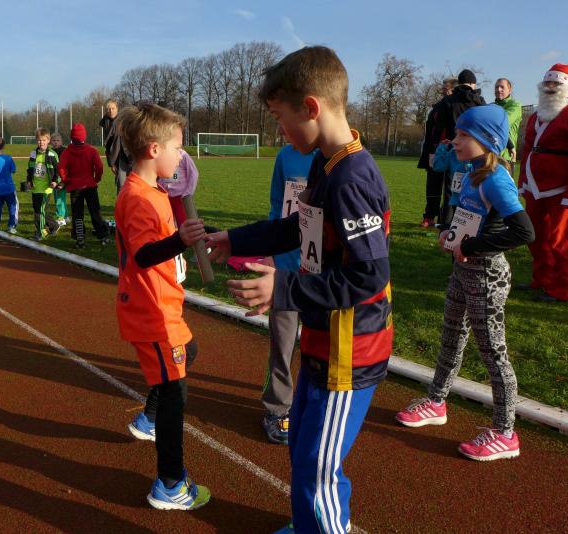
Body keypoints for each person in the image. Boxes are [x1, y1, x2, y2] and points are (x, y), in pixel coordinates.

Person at [206, 46, 392, 534]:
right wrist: (235, 240)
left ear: (310, 107)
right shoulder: (324, 164)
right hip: (321, 337)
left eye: (279, 118)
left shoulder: (352, 178)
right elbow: (297, 228)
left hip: (349, 350)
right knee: (303, 447)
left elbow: (369, 277)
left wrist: (284, 288)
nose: (279, 132)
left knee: (317, 466)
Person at [395, 105, 535, 461]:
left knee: (493, 351)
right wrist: (448, 233)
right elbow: (464, 216)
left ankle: (505, 433)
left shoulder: (495, 179)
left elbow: (524, 231)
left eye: (462, 135)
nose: (454, 140)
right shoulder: (470, 172)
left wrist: (471, 246)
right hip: (463, 272)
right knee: (451, 336)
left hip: (487, 276)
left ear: (486, 141)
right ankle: (436, 402)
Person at [114, 102, 210, 511]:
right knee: (175, 394)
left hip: (165, 305)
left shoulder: (154, 191)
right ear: (154, 149)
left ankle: (149, 418)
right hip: (151, 311)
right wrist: (179, 241)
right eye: (177, 148)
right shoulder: (138, 196)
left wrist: (203, 235)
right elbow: (143, 254)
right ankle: (170, 483)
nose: (182, 156)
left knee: (189, 351)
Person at [517, 63, 568, 302]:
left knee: (563, 240)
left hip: (564, 189)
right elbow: (527, 150)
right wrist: (523, 182)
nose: (550, 87)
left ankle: (561, 289)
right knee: (535, 236)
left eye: (556, 83)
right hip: (535, 186)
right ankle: (541, 279)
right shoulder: (536, 116)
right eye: (547, 82)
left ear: (567, 86)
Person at [260, 134, 316, 445]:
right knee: (282, 343)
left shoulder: (332, 156)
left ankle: (313, 403)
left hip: (320, 272)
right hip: (285, 265)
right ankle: (277, 407)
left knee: (318, 345)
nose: (283, 130)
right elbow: (276, 205)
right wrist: (272, 251)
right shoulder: (285, 156)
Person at [431, 69, 487, 227]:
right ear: (473, 84)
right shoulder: (479, 100)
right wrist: (509, 145)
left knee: (451, 189)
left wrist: (435, 146)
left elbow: (438, 126)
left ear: (459, 83)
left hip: (454, 148)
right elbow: (488, 125)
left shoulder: (448, 101)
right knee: (474, 186)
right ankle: (470, 224)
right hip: (474, 151)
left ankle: (447, 223)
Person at [58, 123, 110, 248]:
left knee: (77, 214)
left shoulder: (67, 152)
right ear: (84, 136)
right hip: (89, 185)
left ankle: (80, 238)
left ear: (71, 137)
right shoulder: (91, 150)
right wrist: (96, 179)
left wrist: (66, 180)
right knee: (95, 211)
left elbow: (61, 168)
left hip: (75, 187)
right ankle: (103, 236)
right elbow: (99, 167)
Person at [418, 78, 456, 228]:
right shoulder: (437, 108)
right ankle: (429, 216)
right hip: (435, 151)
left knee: (450, 187)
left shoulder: (457, 106)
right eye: (443, 89)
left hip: (452, 151)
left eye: (447, 89)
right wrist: (428, 152)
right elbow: (430, 131)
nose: (443, 92)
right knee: (433, 184)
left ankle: (445, 218)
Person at [25, 128, 61, 240]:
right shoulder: (33, 154)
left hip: (46, 188)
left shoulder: (52, 154)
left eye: (44, 140)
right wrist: (29, 181)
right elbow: (30, 169)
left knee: (39, 212)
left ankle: (40, 232)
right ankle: (54, 225)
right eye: (39, 140)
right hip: (35, 187)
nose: (41, 142)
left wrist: (55, 181)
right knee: (38, 211)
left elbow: (58, 170)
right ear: (36, 140)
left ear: (48, 140)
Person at [157, 148, 198, 227]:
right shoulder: (162, 154)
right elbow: (161, 174)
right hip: (166, 197)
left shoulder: (183, 155)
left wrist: (187, 193)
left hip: (180, 197)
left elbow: (194, 173)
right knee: (167, 224)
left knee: (183, 224)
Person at [103, 99, 133, 193]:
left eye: (113, 108)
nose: (111, 111)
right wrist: (111, 164)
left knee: (133, 185)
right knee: (121, 186)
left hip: (131, 156)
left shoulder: (125, 120)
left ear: (117, 109)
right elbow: (108, 146)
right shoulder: (106, 124)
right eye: (108, 109)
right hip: (119, 159)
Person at [493, 78, 522, 166]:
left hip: (506, 156)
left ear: (509, 90)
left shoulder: (515, 105)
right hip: (491, 155)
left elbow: (503, 123)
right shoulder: (491, 106)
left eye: (502, 87)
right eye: (497, 87)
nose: (499, 89)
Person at [50, 132, 69, 227]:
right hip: (54, 178)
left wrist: (63, 180)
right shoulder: (50, 152)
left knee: (59, 199)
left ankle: (60, 218)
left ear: (61, 142)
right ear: (50, 142)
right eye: (54, 140)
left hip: (61, 179)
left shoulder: (65, 151)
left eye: (58, 140)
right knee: (60, 198)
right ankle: (66, 216)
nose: (56, 142)